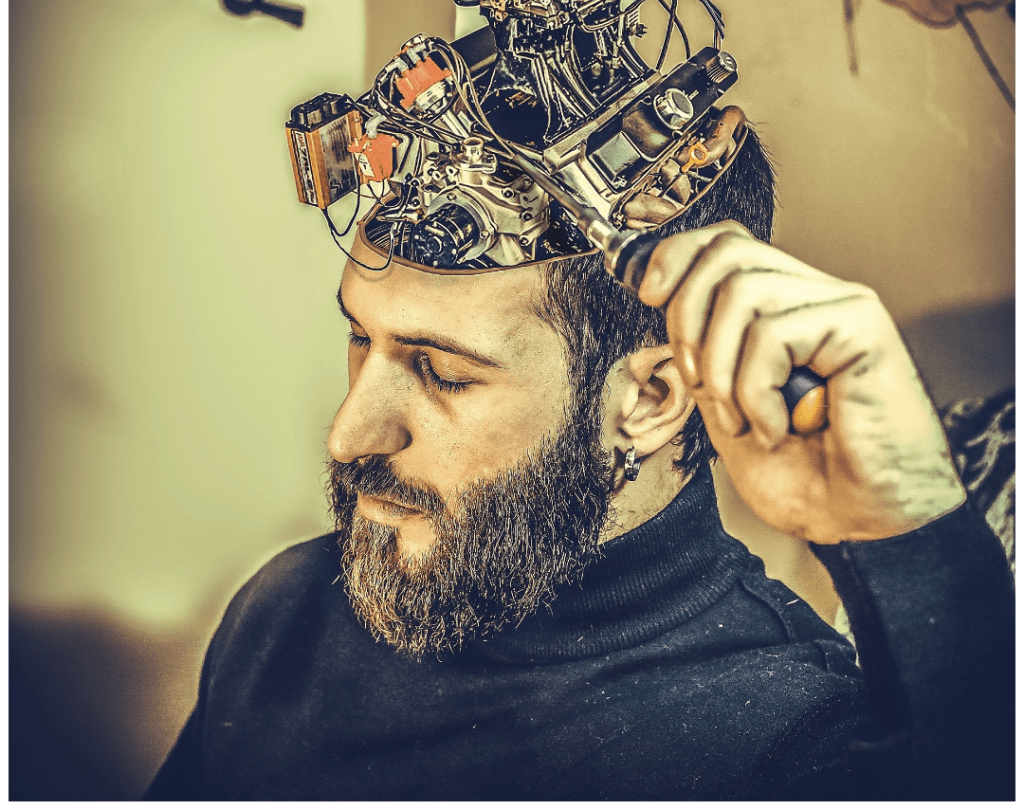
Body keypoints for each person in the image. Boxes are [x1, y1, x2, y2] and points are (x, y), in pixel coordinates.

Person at [145, 122, 1013, 800]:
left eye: (443, 372)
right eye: (358, 337)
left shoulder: (783, 743)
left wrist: (906, 531)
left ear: (652, 399)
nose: (348, 436)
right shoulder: (288, 610)